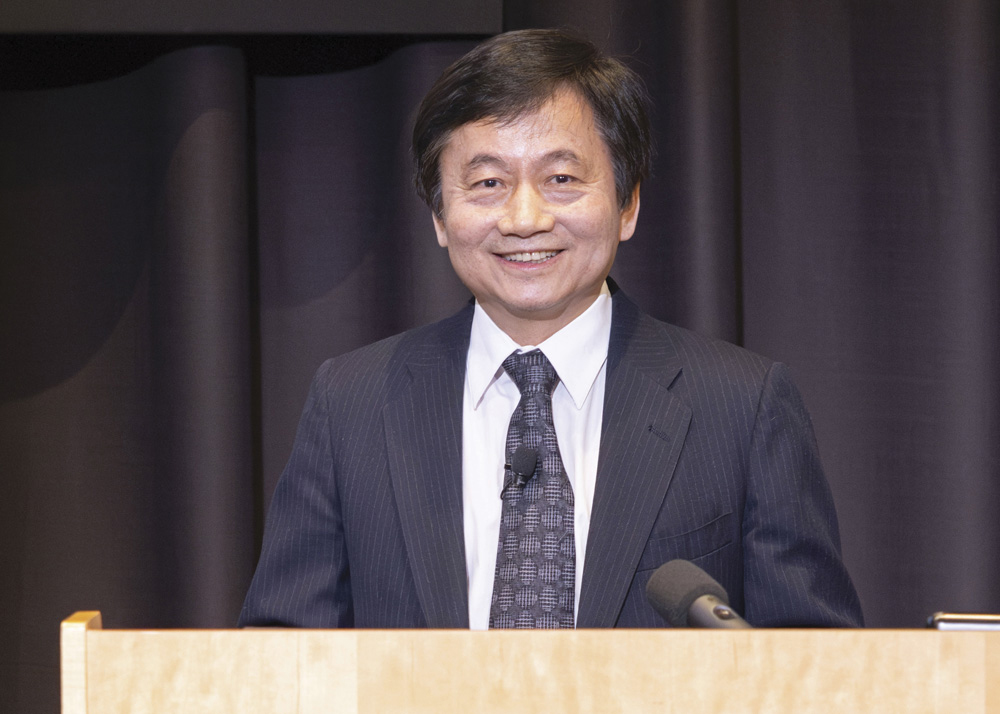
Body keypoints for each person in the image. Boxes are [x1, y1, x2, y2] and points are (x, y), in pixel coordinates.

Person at [239, 29, 863, 629]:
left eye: (561, 179)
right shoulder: (351, 404)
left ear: (628, 205)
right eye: (488, 183)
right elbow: (282, 662)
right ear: (439, 214)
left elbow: (813, 667)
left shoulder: (742, 406)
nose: (524, 218)